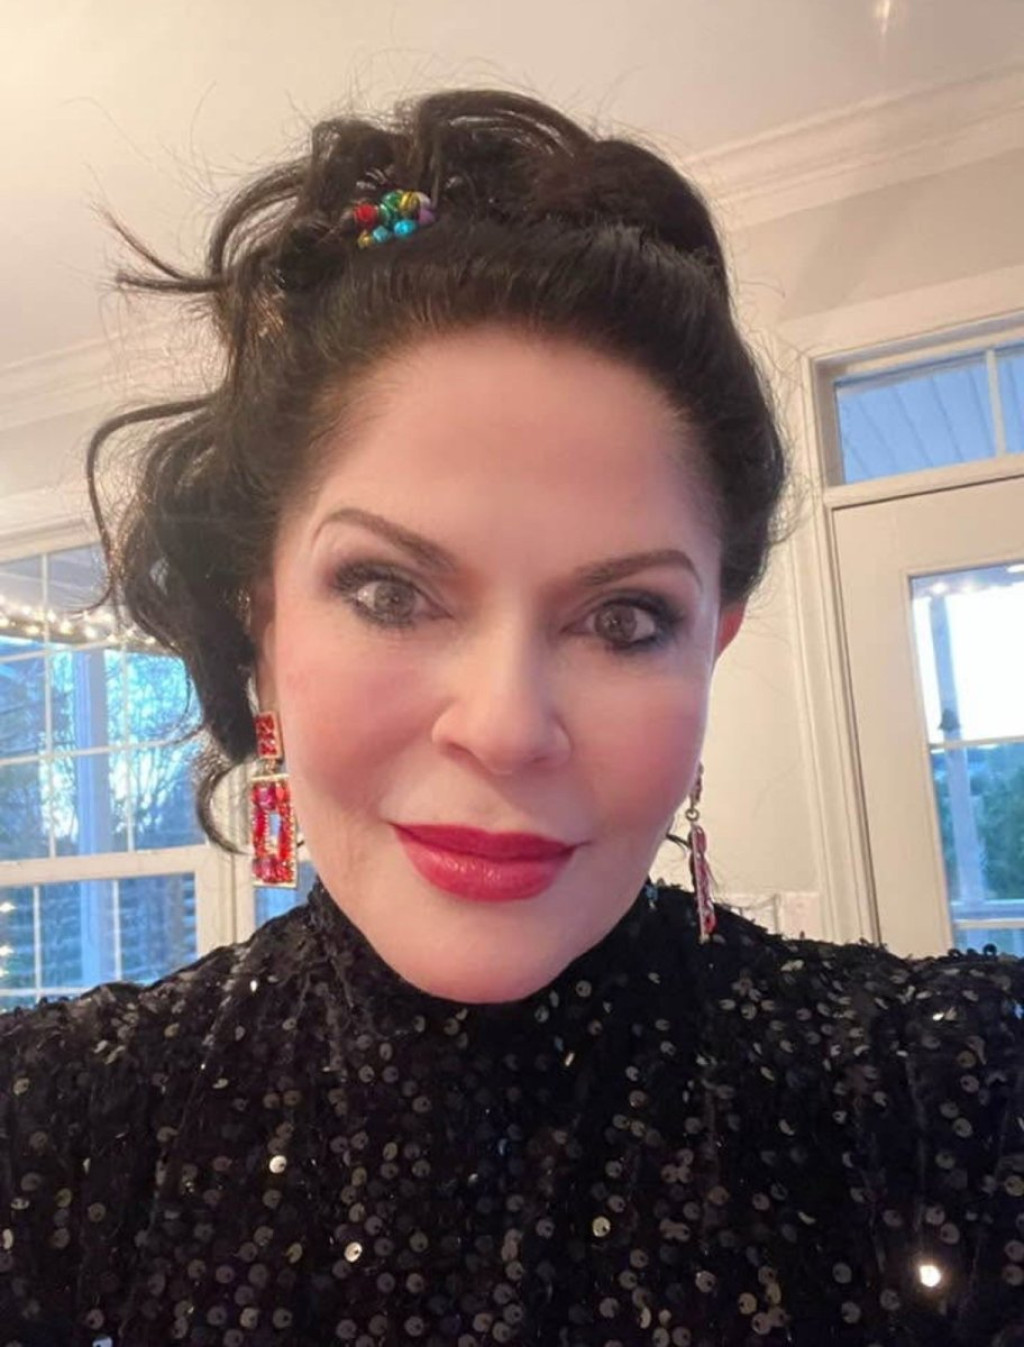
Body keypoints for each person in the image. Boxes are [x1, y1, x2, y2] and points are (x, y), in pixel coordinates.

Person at [0, 88, 1021, 1347]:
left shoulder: (949, 1100)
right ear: (260, 620)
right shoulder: (53, 1130)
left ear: (712, 645)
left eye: (624, 619)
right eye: (390, 591)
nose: (503, 728)